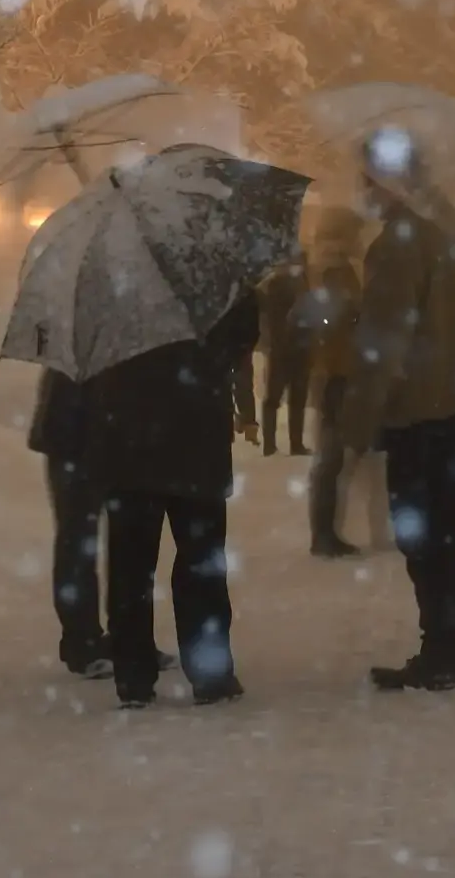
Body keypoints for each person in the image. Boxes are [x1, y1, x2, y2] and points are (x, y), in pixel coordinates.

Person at [342, 168, 455, 692]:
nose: (364, 189)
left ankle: (443, 650)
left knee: (424, 538)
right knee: (450, 534)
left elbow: (382, 341)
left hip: (417, 409)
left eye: (370, 178)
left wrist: (360, 419)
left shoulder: (398, 246)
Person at [81, 291, 259, 709]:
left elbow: (91, 351)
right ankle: (211, 672)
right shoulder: (215, 273)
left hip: (129, 438)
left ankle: (134, 676)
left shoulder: (117, 276)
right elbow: (243, 336)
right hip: (197, 437)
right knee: (201, 563)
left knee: (130, 566)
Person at [27, 367, 112, 676]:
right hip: (74, 440)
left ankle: (121, 637)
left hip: (104, 437)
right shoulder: (75, 338)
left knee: (120, 539)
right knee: (77, 541)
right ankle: (81, 641)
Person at [301, 208, 366, 558]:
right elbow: (330, 319)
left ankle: (326, 532)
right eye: (355, 233)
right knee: (331, 456)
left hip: (334, 370)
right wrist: (357, 312)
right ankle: (323, 535)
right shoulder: (333, 271)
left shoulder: (329, 269)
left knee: (333, 455)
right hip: (336, 372)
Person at [258, 257, 311, 457]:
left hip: (294, 348)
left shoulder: (297, 282)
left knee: (293, 397)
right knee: (279, 397)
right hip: (284, 348)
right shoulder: (276, 284)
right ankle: (277, 444)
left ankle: (283, 444)